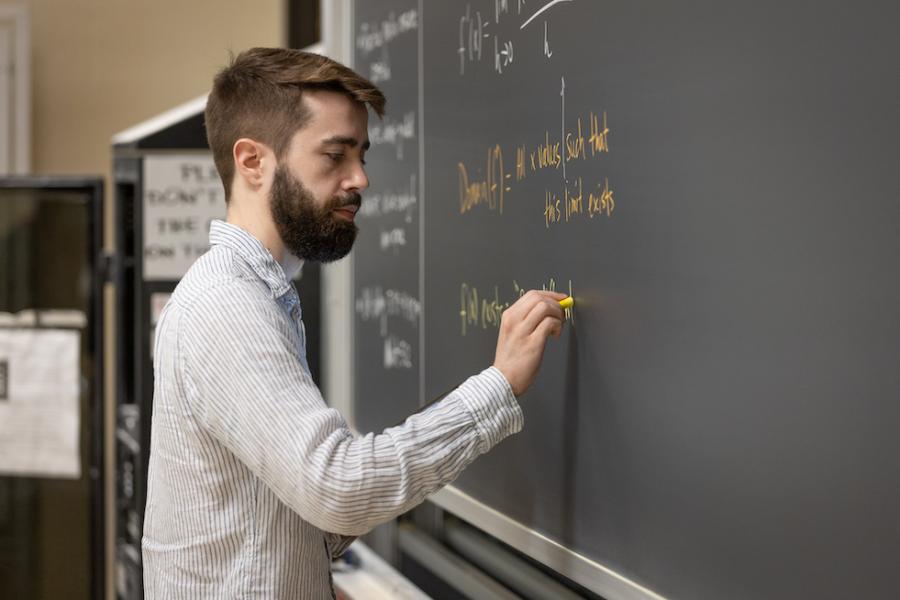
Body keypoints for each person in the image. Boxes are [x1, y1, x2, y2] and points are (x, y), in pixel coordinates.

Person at [141, 47, 567, 599]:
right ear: (252, 161)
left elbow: (281, 504)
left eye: (361, 154)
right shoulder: (227, 305)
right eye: (335, 155)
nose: (360, 178)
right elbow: (334, 487)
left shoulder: (256, 295)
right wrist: (498, 386)